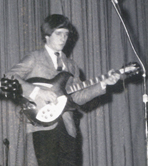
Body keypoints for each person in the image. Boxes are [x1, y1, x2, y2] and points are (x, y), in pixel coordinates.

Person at [5, 14, 120, 166]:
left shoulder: (71, 65)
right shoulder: (35, 57)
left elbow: (78, 97)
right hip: (42, 126)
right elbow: (9, 76)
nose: (63, 38)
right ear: (47, 35)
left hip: (68, 127)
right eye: (59, 34)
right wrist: (37, 92)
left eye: (66, 34)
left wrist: (103, 84)